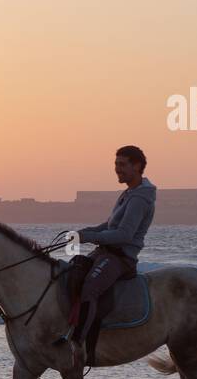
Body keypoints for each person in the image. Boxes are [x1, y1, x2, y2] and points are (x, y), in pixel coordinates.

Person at [62, 145, 156, 353]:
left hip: (121, 257)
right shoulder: (128, 193)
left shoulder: (140, 198)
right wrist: (82, 232)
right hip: (106, 252)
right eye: (116, 164)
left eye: (122, 165)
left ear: (137, 166)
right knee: (71, 272)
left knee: (88, 290)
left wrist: (89, 237)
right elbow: (109, 225)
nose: (117, 169)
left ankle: (78, 344)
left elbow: (124, 234)